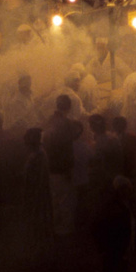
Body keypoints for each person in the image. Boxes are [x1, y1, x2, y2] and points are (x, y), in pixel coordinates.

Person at [43, 94, 82, 236]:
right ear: (69, 107)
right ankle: (65, 234)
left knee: (54, 201)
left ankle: (54, 230)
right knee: (65, 201)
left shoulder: (49, 121)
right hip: (61, 168)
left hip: (50, 168)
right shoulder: (66, 123)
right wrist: (68, 168)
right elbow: (70, 142)